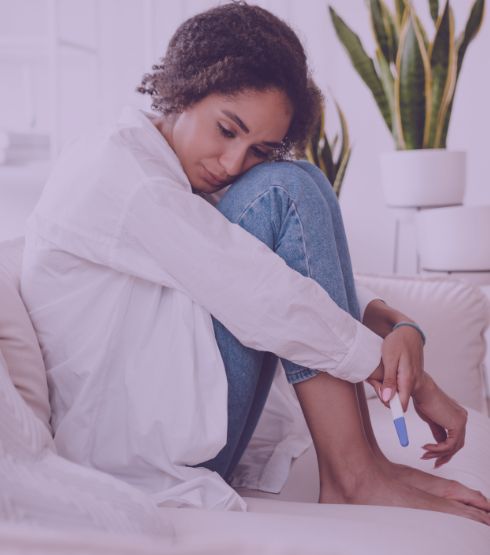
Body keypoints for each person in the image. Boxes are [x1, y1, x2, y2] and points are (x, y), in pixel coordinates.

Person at [20, 1, 489, 523]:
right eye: (226, 130)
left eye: (258, 150)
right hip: (129, 457)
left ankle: (365, 468)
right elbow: (258, 294)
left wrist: (391, 321)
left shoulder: (173, 176)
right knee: (285, 191)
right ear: (184, 88)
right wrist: (415, 381)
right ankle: (354, 478)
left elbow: (269, 268)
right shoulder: (119, 171)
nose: (232, 164)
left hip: (174, 428)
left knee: (302, 179)